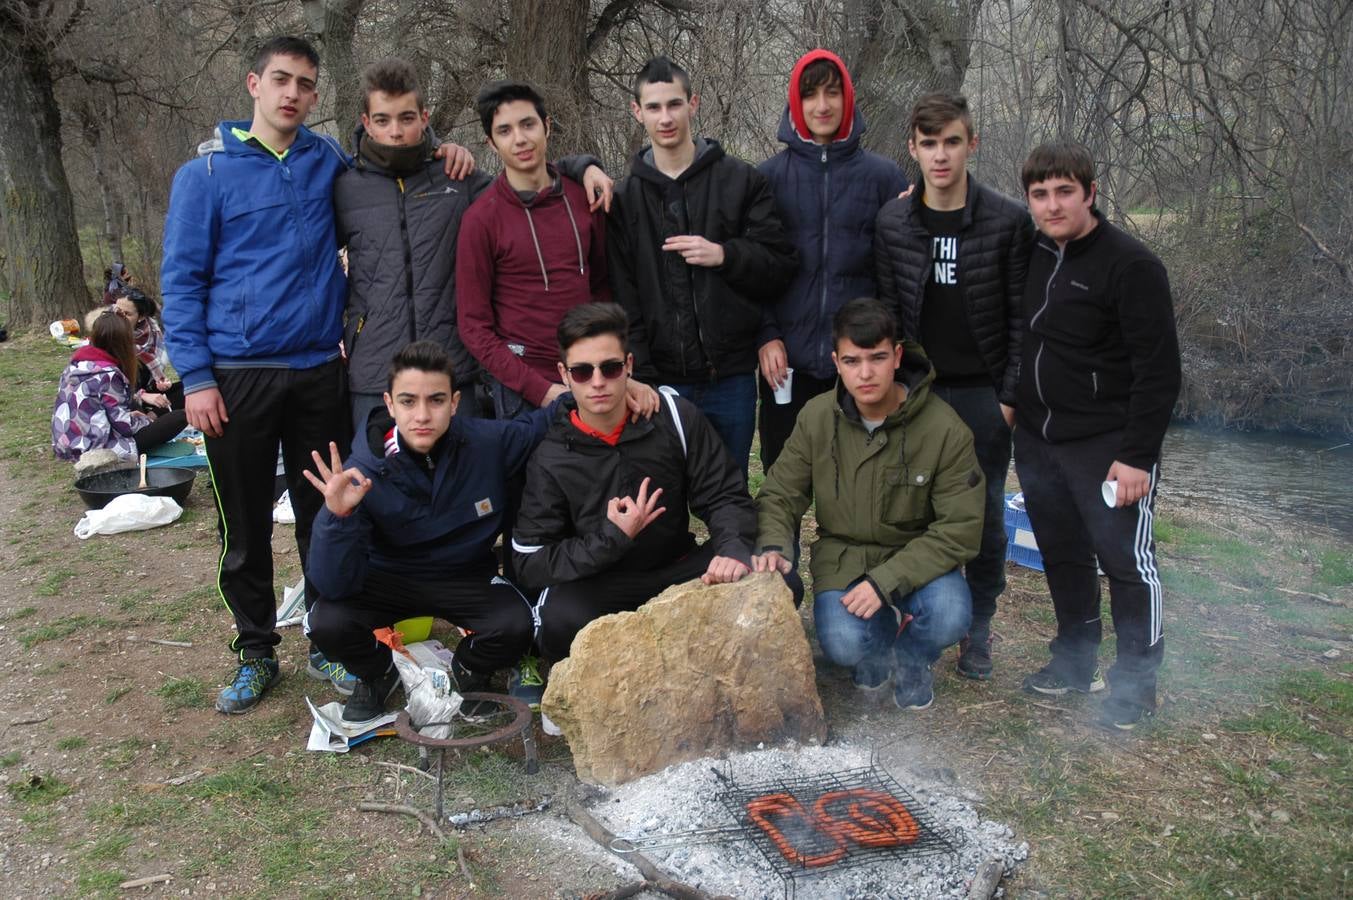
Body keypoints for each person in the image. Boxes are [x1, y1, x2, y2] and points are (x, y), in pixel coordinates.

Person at [159, 36, 479, 713]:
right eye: (281, 80)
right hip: (235, 375)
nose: (292, 94)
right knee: (243, 527)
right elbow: (181, 280)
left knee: (323, 514)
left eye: (305, 84)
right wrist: (194, 376)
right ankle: (253, 649)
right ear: (253, 84)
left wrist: (447, 144)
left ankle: (328, 642)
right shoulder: (206, 176)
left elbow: (393, 159)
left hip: (316, 371)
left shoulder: (324, 161)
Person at [510, 303, 757, 726]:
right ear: (565, 375)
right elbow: (530, 561)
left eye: (609, 367)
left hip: (675, 569)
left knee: (770, 572)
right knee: (554, 621)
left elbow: (726, 495)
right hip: (600, 583)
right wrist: (611, 537)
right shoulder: (550, 453)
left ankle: (711, 679)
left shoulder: (674, 417)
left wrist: (732, 550)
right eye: (583, 372)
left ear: (629, 365)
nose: (599, 382)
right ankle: (584, 685)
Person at [337, 59, 614, 427]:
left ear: (425, 116)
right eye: (383, 120)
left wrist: (584, 166)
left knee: (466, 481)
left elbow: (527, 177)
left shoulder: (459, 179)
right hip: (375, 373)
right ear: (366, 122)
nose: (396, 132)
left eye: (406, 118)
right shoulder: (344, 187)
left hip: (452, 371)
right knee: (380, 482)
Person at [1014, 142, 1180, 730]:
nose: (1052, 205)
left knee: (1127, 563)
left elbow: (1159, 373)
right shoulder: (1031, 250)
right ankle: (1073, 663)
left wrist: (1137, 456)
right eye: (1040, 194)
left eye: (1065, 191)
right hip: (1038, 438)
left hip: (1108, 446)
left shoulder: (1131, 266)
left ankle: (1136, 685)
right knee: (1061, 552)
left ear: (1090, 192)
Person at [303, 341, 553, 722]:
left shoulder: (488, 443)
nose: (422, 415)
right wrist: (336, 517)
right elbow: (332, 584)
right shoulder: (362, 470)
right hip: (386, 577)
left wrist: (621, 388)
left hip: (464, 575)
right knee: (326, 622)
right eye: (408, 402)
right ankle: (376, 673)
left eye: (435, 400)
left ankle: (469, 669)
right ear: (389, 404)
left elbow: (548, 420)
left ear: (454, 403)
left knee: (517, 624)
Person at [874, 92, 1035, 681]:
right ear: (913, 148)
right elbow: (888, 312)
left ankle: (979, 626)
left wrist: (1010, 398)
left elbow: (1021, 318)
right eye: (929, 143)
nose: (940, 156)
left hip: (982, 393)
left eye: (952, 142)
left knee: (984, 515)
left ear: (972, 144)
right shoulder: (894, 221)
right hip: (919, 388)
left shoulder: (1007, 220)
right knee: (910, 509)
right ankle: (915, 622)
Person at [754, 298, 984, 711]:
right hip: (845, 558)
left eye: (877, 358)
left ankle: (912, 661)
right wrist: (774, 544)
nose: (865, 373)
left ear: (897, 356)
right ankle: (876, 649)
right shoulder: (817, 416)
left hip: (917, 561)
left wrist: (886, 581)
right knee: (844, 645)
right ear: (836, 362)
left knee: (950, 612)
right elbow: (780, 492)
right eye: (852, 360)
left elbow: (960, 529)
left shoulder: (945, 428)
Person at [607, 55, 798, 477]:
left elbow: (779, 265)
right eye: (654, 107)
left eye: (674, 104)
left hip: (729, 377)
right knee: (665, 501)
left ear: (693, 104)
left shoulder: (742, 181)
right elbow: (624, 299)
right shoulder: (624, 201)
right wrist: (644, 376)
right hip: (661, 381)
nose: (666, 117)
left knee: (729, 491)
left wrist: (725, 255)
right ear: (637, 112)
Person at [756, 48, 908, 569]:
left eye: (832, 91)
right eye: (810, 93)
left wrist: (881, 353)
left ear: (848, 99)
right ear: (795, 104)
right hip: (787, 362)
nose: (822, 104)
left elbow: (895, 273)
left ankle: (854, 599)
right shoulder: (768, 178)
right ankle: (781, 593)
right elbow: (754, 271)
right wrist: (766, 333)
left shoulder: (883, 178)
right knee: (784, 481)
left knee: (861, 485)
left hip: (859, 363)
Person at [456, 80, 620, 421]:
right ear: (491, 142)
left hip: (592, 379)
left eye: (528, 124)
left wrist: (607, 364)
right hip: (524, 392)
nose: (520, 139)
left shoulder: (583, 196)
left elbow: (603, 287)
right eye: (504, 130)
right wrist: (539, 390)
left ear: (546, 126)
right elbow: (473, 326)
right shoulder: (481, 219)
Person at [53, 310, 187, 461]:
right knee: (179, 417)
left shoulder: (75, 366)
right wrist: (147, 421)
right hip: (99, 449)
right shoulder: (108, 374)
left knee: (141, 404)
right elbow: (124, 426)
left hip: (67, 443)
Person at [112, 289, 182, 409]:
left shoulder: (152, 332)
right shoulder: (107, 333)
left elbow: (152, 374)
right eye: (117, 311)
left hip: (145, 392)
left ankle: (152, 415)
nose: (119, 317)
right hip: (121, 399)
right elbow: (106, 386)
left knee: (189, 389)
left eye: (127, 314)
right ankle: (148, 418)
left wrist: (159, 384)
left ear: (141, 316)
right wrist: (141, 395)